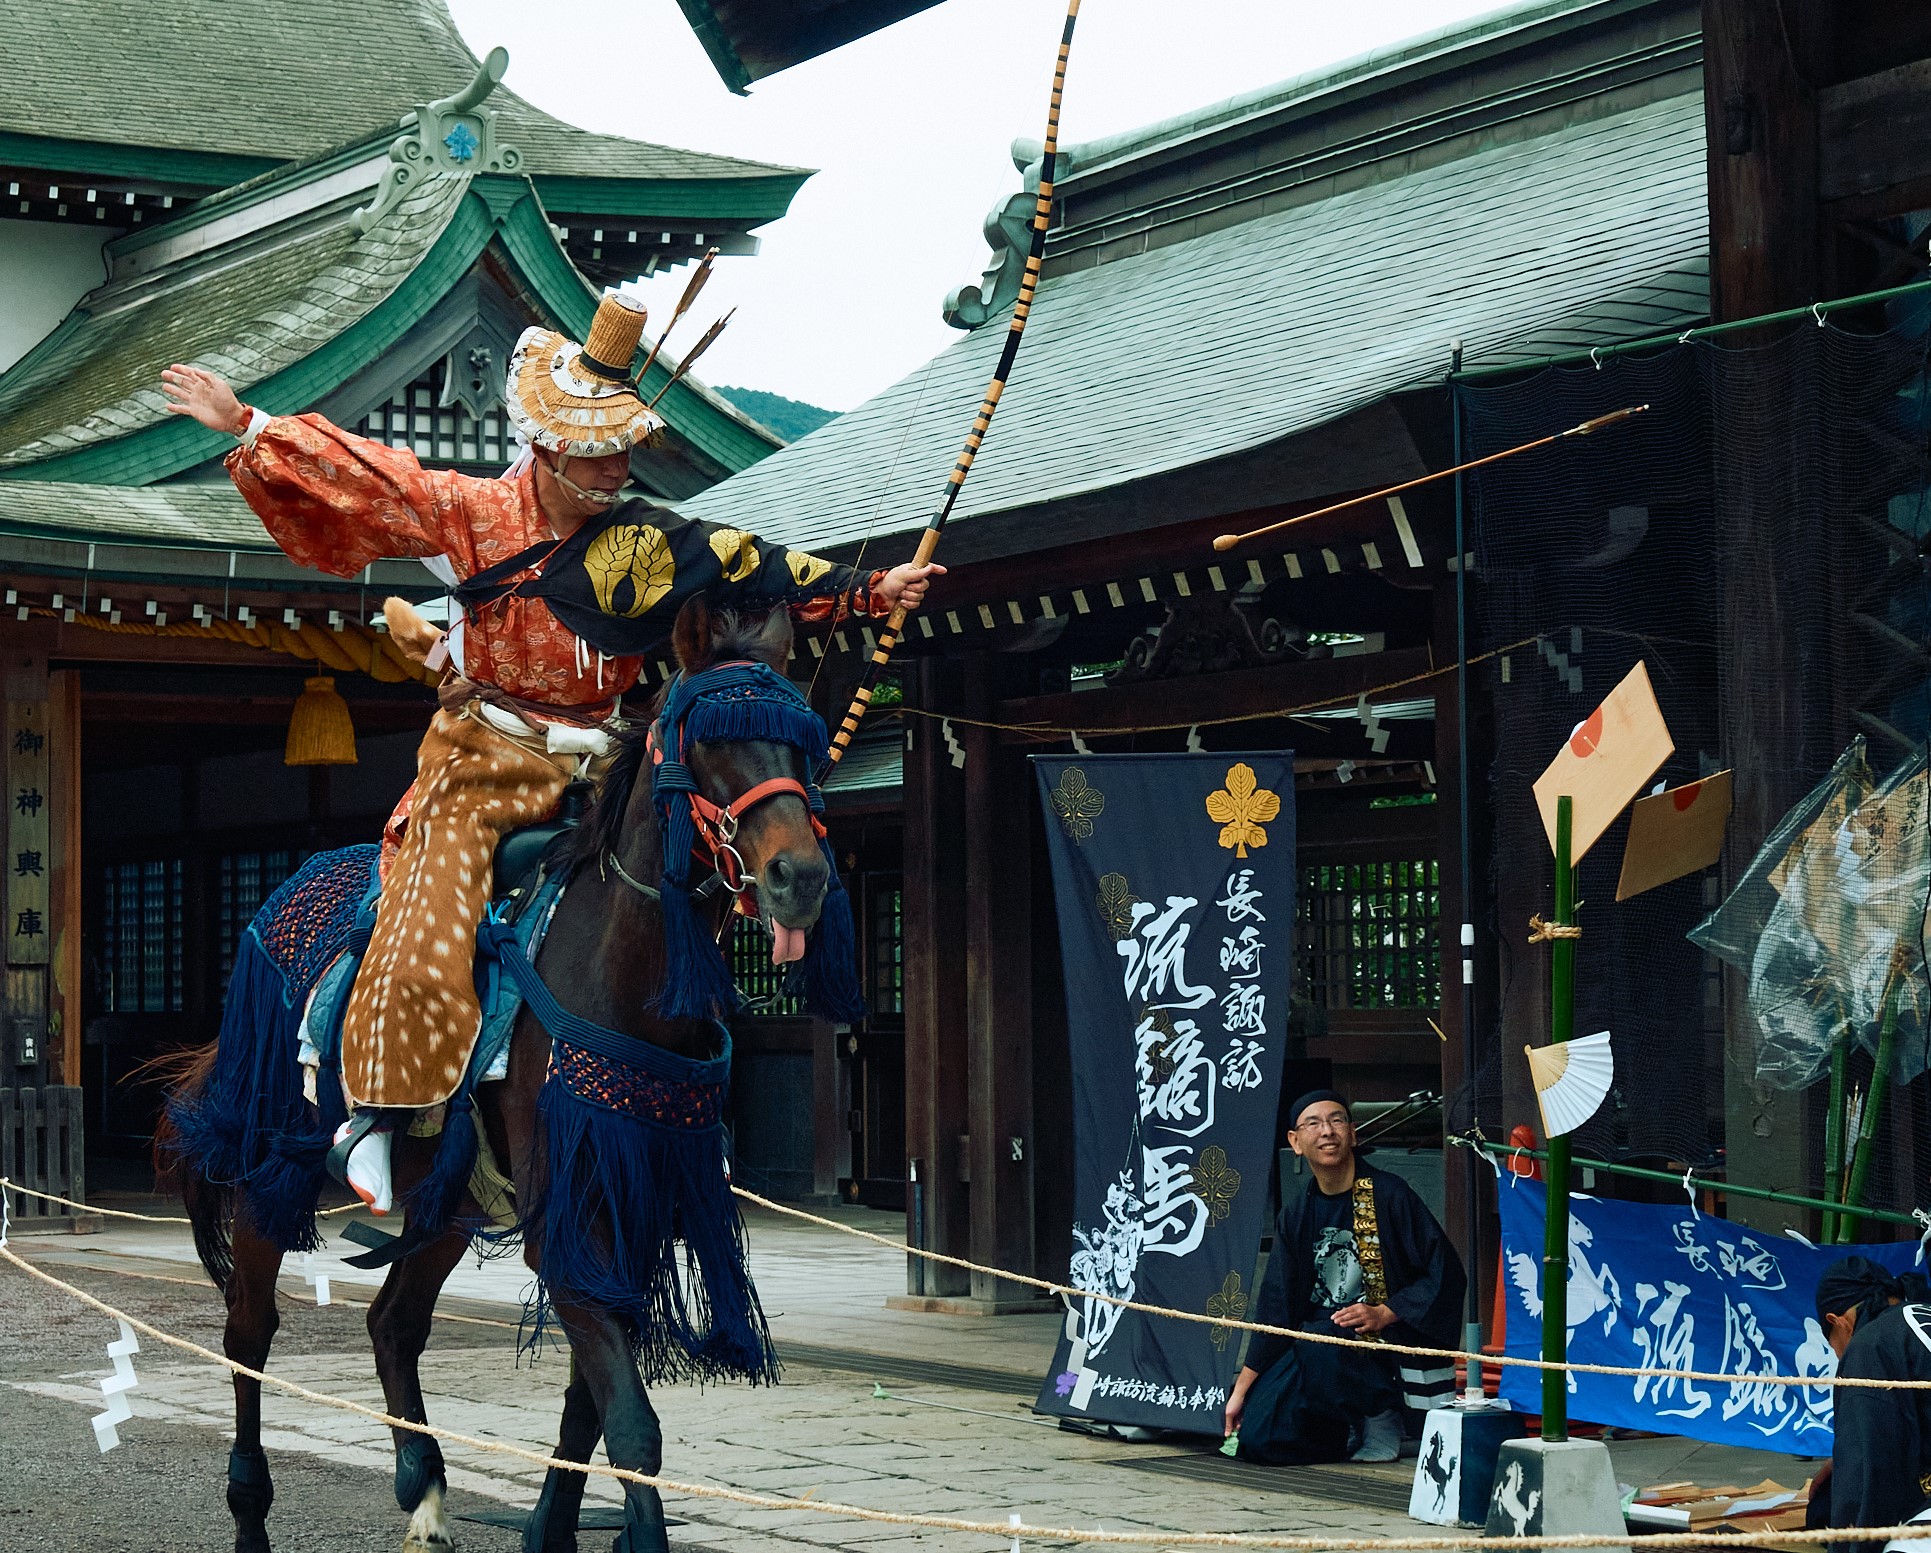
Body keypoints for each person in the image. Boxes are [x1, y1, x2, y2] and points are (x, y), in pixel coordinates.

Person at [161, 290, 941, 1214]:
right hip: (483, 757)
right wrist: (249, 424)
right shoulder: (470, 511)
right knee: (426, 920)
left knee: (703, 868)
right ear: (549, 447)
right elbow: (367, 475)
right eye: (597, 455)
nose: (616, 471)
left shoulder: (645, 542)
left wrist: (866, 590)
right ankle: (378, 1112)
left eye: (623, 452)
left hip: (604, 761)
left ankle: (681, 1097)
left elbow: (749, 562)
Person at [1223, 1089, 1465, 1464]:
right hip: (1317, 1346)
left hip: (1383, 1343)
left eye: (1336, 1120)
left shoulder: (1389, 1194)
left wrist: (1384, 1312)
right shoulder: (1298, 1213)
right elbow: (1276, 1308)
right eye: (1314, 1123)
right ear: (1295, 1141)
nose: (1327, 1131)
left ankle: (1380, 1414)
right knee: (1260, 1438)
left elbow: (1445, 1272)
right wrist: (1241, 1392)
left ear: (1353, 1134)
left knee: (1318, 1338)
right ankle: (1342, 1430)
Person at [1806, 1256, 1931, 1553]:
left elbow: (1865, 1481)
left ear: (1838, 1322)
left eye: (1833, 1344)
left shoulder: (1869, 1345)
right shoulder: (1918, 1319)